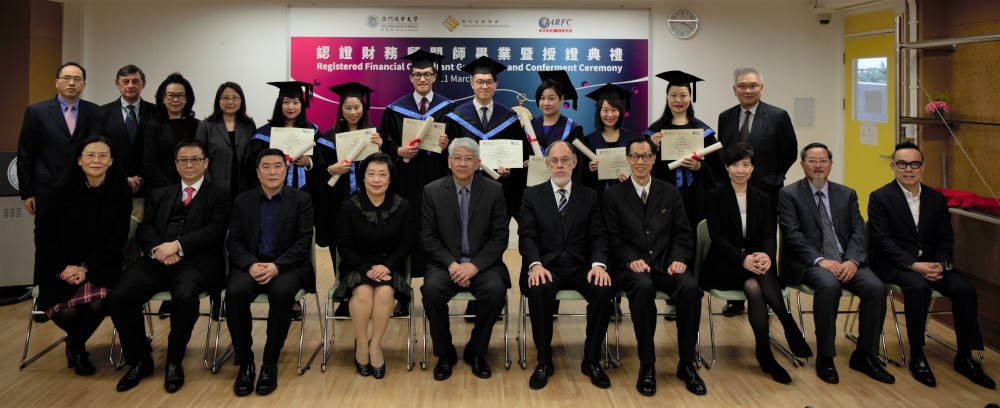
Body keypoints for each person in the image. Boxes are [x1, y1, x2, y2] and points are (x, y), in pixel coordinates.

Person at [868, 142, 994, 389]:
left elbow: (945, 238)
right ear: (893, 166)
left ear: (923, 167)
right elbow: (882, 241)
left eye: (914, 164)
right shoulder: (880, 197)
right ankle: (917, 353)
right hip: (898, 264)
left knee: (964, 289)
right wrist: (914, 265)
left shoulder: (936, 198)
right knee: (918, 288)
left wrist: (941, 264)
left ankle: (965, 356)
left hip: (934, 263)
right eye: (902, 164)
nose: (908, 169)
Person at [109, 140, 230, 393]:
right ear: (175, 165)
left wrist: (176, 246)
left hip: (196, 263)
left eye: (195, 159)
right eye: (183, 160)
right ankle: (141, 359)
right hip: (156, 259)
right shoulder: (160, 193)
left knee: (185, 298)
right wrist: (159, 250)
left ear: (206, 163)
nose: (189, 164)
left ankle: (174, 360)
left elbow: (215, 232)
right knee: (119, 296)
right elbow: (146, 228)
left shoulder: (220, 194)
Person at [777, 143, 893, 385]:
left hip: (847, 260)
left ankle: (865, 354)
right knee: (829, 286)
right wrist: (820, 260)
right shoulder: (789, 194)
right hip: (811, 263)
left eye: (823, 160)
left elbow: (858, 231)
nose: (818, 166)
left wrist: (852, 260)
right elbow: (793, 235)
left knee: (876, 288)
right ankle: (826, 356)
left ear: (830, 164)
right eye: (812, 161)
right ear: (802, 165)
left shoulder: (846, 194)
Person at [698, 143, 813, 384]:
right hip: (723, 264)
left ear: (753, 168)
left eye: (746, 164)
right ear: (726, 167)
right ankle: (786, 324)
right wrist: (743, 259)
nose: (741, 170)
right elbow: (717, 238)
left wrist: (767, 256)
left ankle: (764, 350)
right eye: (735, 165)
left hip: (755, 264)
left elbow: (768, 234)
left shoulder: (761, 197)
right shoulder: (714, 195)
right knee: (756, 282)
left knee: (754, 286)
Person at [603, 138, 706, 397]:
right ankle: (647, 364)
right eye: (635, 156)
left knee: (691, 290)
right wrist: (628, 260)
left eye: (646, 156)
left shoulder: (670, 192)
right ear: (627, 159)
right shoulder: (613, 195)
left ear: (653, 159)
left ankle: (686, 363)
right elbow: (611, 238)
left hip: (667, 265)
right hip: (633, 268)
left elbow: (683, 233)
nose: (640, 162)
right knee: (643, 289)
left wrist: (679, 259)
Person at [518, 141, 613, 390]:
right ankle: (544, 361)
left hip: (582, 266)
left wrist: (599, 265)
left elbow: (599, 235)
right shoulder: (531, 195)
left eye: (564, 160)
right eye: (554, 161)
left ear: (574, 162)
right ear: (547, 164)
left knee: (603, 290)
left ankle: (591, 360)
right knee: (538, 289)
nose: (559, 166)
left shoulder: (590, 196)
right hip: (548, 266)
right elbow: (527, 236)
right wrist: (535, 265)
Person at [34, 136, 131, 376]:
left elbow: (116, 240)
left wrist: (85, 267)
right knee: (68, 310)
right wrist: (65, 268)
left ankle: (76, 347)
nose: (96, 160)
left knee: (99, 302)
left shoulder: (120, 192)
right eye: (90, 155)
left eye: (103, 156)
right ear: (79, 160)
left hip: (100, 264)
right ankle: (78, 344)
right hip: (59, 267)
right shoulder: (59, 191)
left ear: (111, 161)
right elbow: (45, 237)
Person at [226, 148, 315, 396]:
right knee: (234, 293)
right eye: (266, 166)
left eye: (278, 166)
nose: (272, 171)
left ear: (287, 170)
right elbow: (234, 241)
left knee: (282, 293)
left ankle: (269, 362)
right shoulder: (243, 200)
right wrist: (251, 264)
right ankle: (245, 363)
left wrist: (277, 266)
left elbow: (303, 242)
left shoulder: (301, 200)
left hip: (287, 266)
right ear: (257, 172)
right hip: (250, 265)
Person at [420, 137, 510, 381]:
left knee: (495, 291)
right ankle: (445, 352)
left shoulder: (494, 190)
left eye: (468, 159)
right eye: (457, 158)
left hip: (482, 264)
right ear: (449, 162)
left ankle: (477, 351)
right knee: (431, 291)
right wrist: (452, 265)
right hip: (445, 264)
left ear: (478, 163)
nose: (462, 163)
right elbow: (428, 238)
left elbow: (500, 236)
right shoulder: (433, 191)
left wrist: (474, 266)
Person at [717, 67, 798, 316]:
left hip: (766, 189)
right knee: (736, 237)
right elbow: (725, 153)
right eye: (742, 86)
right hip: (734, 189)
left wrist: (772, 175)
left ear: (761, 88)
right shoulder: (726, 117)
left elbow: (790, 151)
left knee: (763, 238)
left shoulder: (777, 115)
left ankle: (767, 288)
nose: (748, 90)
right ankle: (736, 298)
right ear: (734, 90)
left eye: (753, 85)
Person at [379, 50, 454, 317]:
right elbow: (383, 142)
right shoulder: (394, 109)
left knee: (439, 233)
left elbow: (459, 146)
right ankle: (402, 295)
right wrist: (397, 151)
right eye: (417, 74)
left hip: (438, 181)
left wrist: (447, 146)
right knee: (405, 236)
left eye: (427, 74)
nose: (422, 78)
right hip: (405, 182)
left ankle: (440, 290)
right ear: (410, 78)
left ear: (435, 77)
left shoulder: (448, 108)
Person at [645, 71, 723, 321]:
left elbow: (719, 171)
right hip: (663, 197)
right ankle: (670, 296)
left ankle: (690, 291)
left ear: (691, 97)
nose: (678, 99)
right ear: (666, 97)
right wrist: (653, 148)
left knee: (690, 239)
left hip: (695, 195)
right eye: (673, 95)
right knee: (664, 239)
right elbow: (644, 167)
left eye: (683, 95)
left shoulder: (703, 131)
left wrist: (701, 168)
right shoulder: (654, 132)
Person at [333, 152, 414, 380]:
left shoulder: (402, 206)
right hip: (356, 265)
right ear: (363, 178)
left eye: (382, 174)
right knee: (362, 292)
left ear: (390, 179)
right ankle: (361, 342)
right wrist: (366, 267)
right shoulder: (349, 206)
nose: (376, 179)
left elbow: (406, 243)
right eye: (371, 174)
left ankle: (375, 345)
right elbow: (344, 245)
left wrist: (387, 266)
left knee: (386, 291)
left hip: (390, 265)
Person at [319, 82, 384, 317]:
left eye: (357, 107)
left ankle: (367, 290)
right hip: (339, 204)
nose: (353, 112)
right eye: (348, 107)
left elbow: (386, 171)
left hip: (369, 203)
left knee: (367, 246)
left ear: (363, 109)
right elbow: (317, 172)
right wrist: (330, 169)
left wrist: (380, 148)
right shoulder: (328, 138)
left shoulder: (373, 136)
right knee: (342, 247)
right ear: (341, 110)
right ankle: (345, 296)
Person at [445, 56, 528, 222]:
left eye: (489, 82)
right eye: (480, 81)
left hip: (500, 187)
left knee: (497, 230)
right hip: (465, 185)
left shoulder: (509, 117)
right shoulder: (456, 117)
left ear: (496, 85)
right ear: (472, 83)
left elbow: (521, 153)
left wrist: (511, 168)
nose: (484, 86)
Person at [18, 62, 100, 218]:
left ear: (84, 84)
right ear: (56, 82)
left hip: (85, 187)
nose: (71, 83)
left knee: (82, 233)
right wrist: (27, 192)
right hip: (46, 189)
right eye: (66, 78)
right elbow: (25, 154)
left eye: (77, 79)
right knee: (47, 235)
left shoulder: (96, 111)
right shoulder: (36, 112)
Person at [92, 64, 156, 219]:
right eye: (125, 81)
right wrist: (121, 178)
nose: (130, 85)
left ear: (143, 84)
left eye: (135, 81)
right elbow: (97, 152)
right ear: (117, 84)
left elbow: (159, 151)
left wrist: (141, 178)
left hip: (146, 191)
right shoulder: (102, 113)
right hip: (110, 188)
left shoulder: (157, 112)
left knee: (141, 239)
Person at [579, 83, 640, 204]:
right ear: (599, 112)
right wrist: (590, 169)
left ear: (620, 112)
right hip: (598, 199)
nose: (610, 115)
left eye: (614, 110)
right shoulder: (588, 141)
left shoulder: (633, 140)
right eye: (605, 110)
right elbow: (581, 178)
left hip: (627, 199)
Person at [197, 82, 258, 198]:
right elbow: (200, 159)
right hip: (215, 188)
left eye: (235, 98)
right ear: (218, 101)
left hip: (244, 187)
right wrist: (208, 185)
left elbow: (253, 156)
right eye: (225, 98)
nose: (230, 102)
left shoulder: (249, 125)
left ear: (241, 100)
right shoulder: (206, 125)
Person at [143, 73, 200, 190]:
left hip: (192, 189)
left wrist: (187, 187)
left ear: (187, 99)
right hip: (160, 190)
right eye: (170, 95)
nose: (175, 99)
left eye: (180, 95)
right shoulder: (153, 126)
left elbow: (201, 160)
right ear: (163, 98)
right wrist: (172, 189)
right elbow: (150, 164)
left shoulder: (198, 125)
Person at [530, 70, 584, 155]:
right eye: (542, 98)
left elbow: (579, 163)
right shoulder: (530, 126)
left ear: (561, 98)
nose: (546, 103)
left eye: (551, 98)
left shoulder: (572, 129)